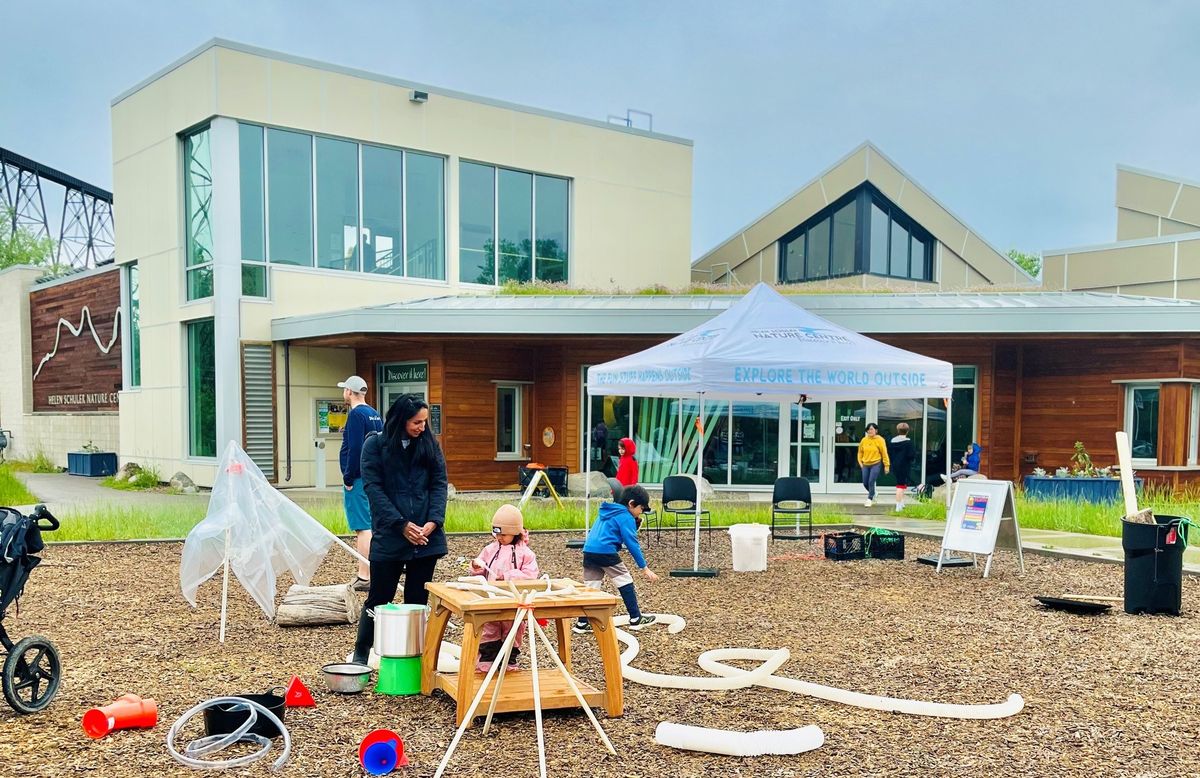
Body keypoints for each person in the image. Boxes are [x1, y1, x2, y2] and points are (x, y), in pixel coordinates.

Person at [352, 394, 448, 665]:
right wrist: (401, 525)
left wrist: (433, 521)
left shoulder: (429, 444)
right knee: (379, 596)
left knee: (417, 599)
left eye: (424, 422)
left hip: (425, 537)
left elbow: (439, 483)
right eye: (416, 422)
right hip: (390, 534)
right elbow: (374, 489)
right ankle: (362, 651)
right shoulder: (375, 445)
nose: (421, 427)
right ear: (400, 419)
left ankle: (414, 656)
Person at [574, 484, 658, 634]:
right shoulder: (625, 516)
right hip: (606, 552)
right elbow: (632, 543)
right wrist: (644, 567)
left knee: (591, 588)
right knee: (625, 581)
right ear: (631, 504)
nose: (641, 512)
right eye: (641, 509)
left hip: (589, 551)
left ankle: (582, 623)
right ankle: (635, 618)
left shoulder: (607, 511)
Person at [470, 504, 539, 672]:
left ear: (515, 532)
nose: (499, 537)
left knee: (513, 629)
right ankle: (487, 659)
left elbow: (531, 576)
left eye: (503, 534)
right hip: (491, 598)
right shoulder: (490, 549)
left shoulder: (526, 554)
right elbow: (478, 568)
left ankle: (509, 660)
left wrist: (508, 577)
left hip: (514, 600)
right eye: (496, 533)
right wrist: (476, 568)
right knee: (489, 627)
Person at [337, 375, 384, 592]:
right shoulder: (374, 414)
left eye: (344, 389)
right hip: (374, 476)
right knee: (372, 525)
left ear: (349, 391)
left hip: (358, 478)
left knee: (362, 527)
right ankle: (377, 570)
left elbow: (355, 448)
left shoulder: (355, 415)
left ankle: (364, 575)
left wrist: (348, 477)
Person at [856, 422, 890, 507]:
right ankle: (874, 493)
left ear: (876, 430)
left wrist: (887, 465)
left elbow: (884, 453)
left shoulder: (880, 440)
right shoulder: (864, 440)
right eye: (868, 429)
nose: (869, 431)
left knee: (871, 481)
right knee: (865, 482)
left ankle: (869, 499)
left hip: (876, 463)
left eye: (871, 429)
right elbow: (860, 452)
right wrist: (860, 463)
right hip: (865, 464)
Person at [887, 423, 916, 511]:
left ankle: (902, 503)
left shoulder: (892, 442)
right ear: (907, 431)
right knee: (900, 486)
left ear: (897, 430)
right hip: (904, 465)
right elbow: (911, 455)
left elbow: (889, 454)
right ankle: (898, 506)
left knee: (902, 484)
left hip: (895, 465)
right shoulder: (908, 442)